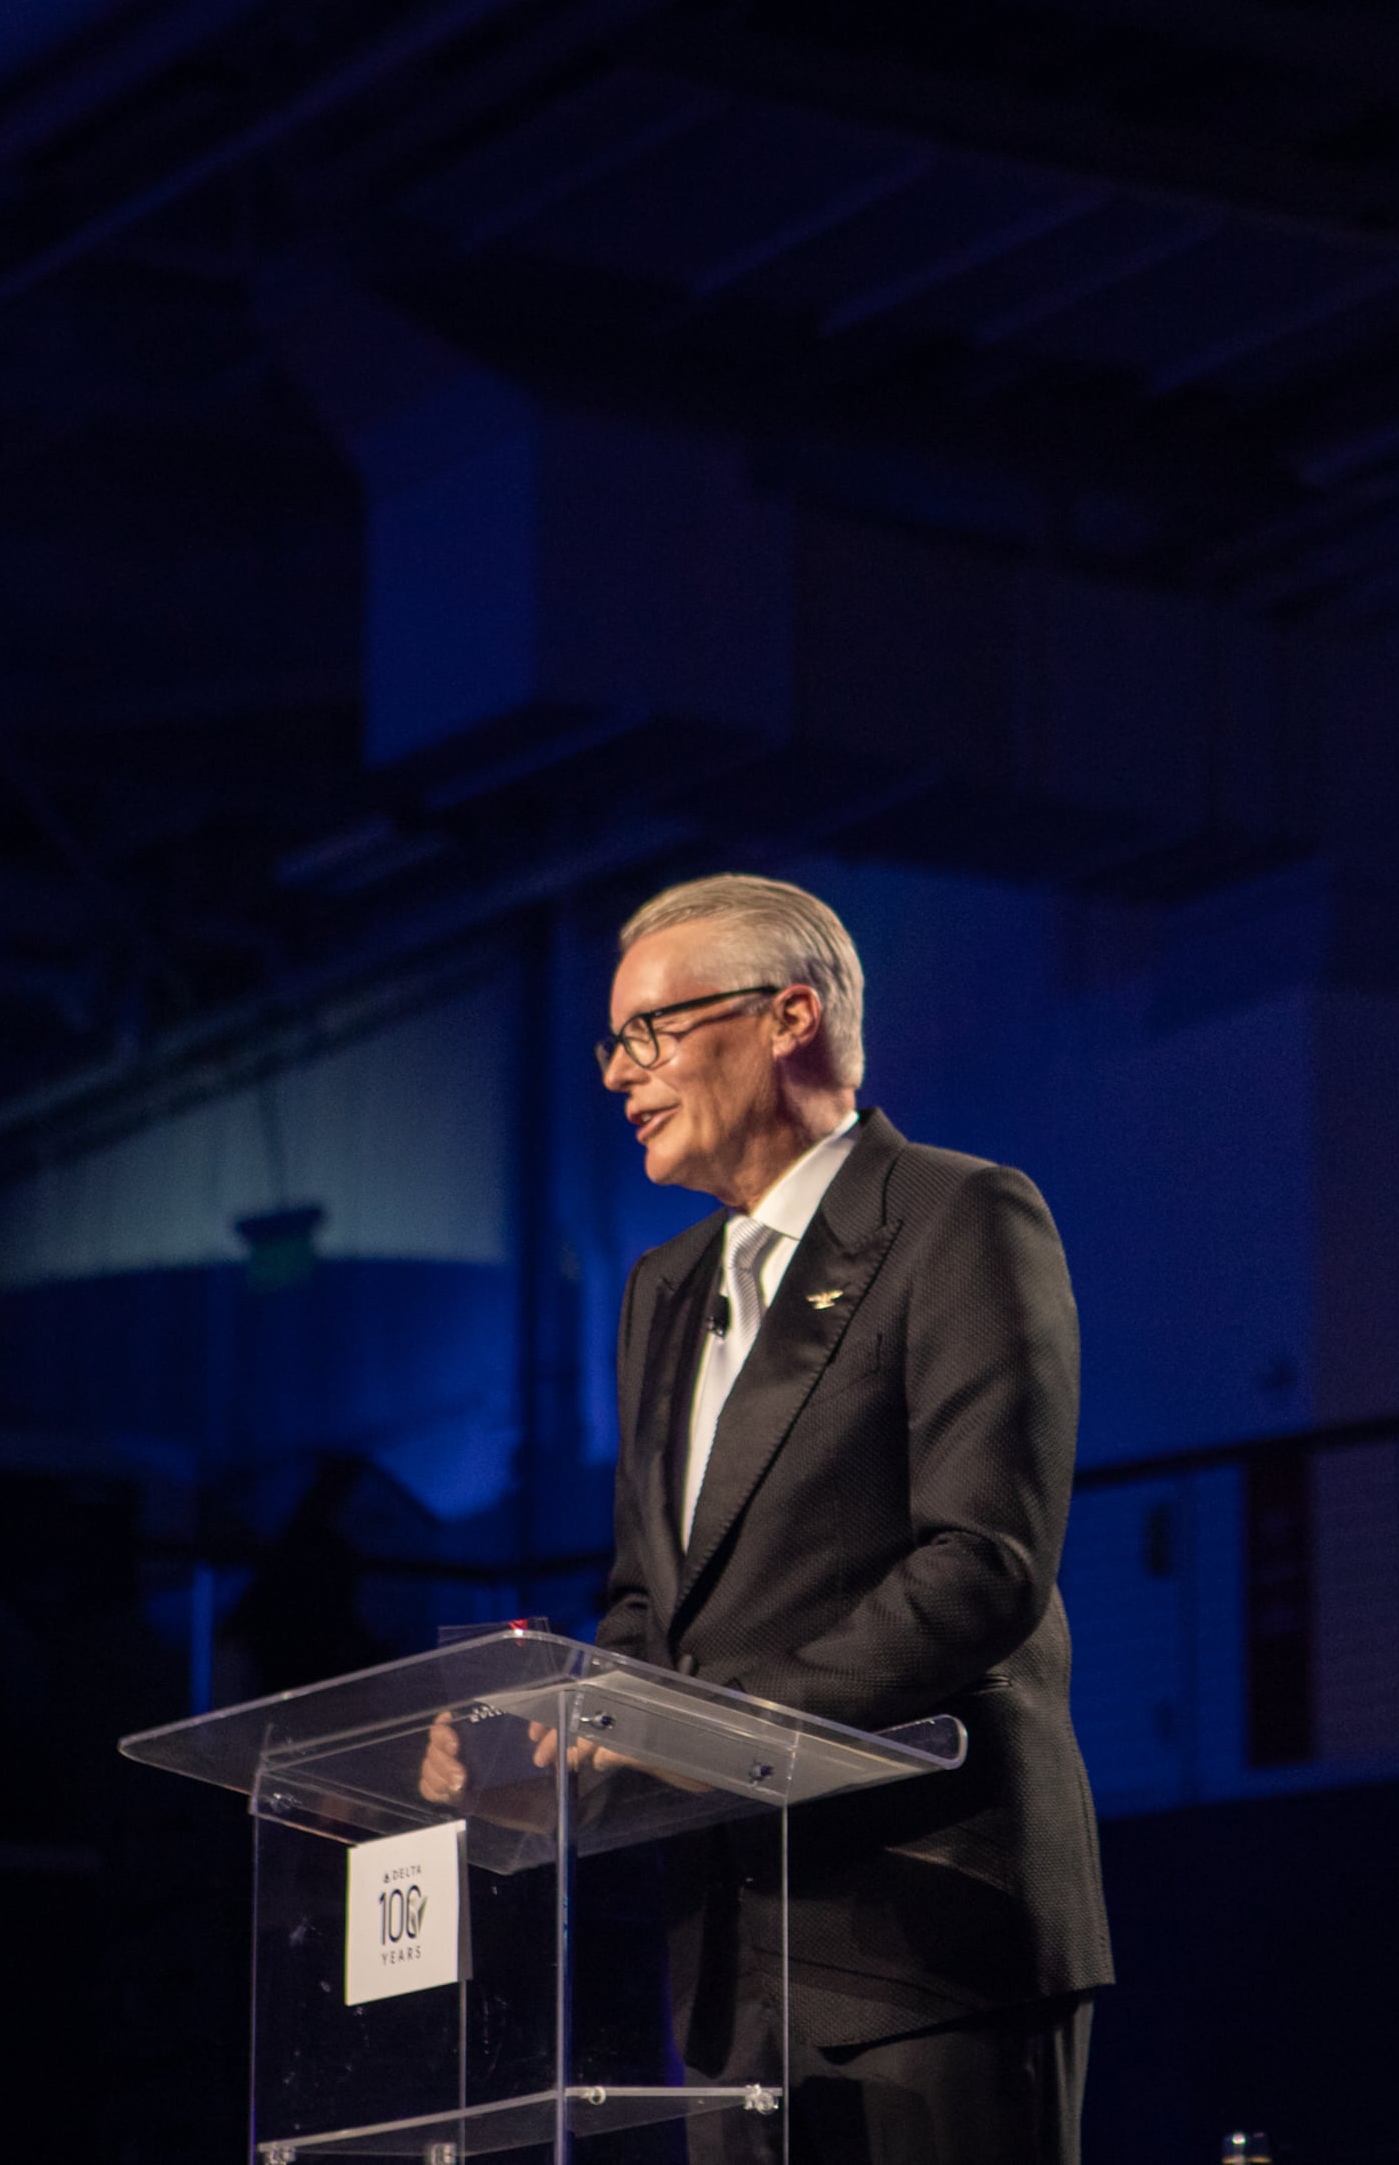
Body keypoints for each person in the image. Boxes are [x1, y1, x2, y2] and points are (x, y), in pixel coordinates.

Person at [439, 873, 1107, 2163]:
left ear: (789, 1015)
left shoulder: (959, 1215)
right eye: (613, 1041)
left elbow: (983, 1569)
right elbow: (650, 1608)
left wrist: (704, 1736)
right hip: (732, 1968)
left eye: (652, 1032)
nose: (619, 1072)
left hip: (928, 1937)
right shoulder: (664, 1289)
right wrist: (546, 1740)